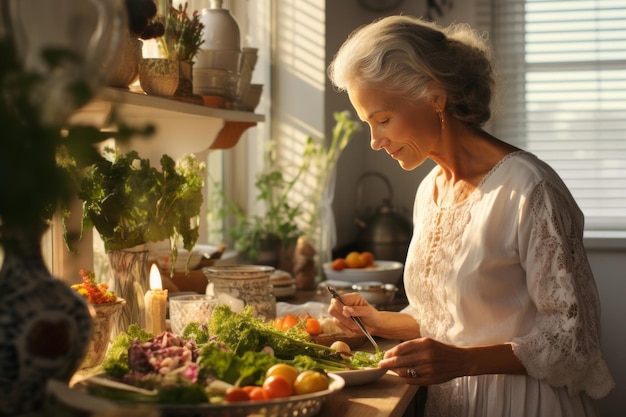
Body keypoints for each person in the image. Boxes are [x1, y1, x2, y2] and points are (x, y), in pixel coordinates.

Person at [326, 15, 615, 417]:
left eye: (384, 119)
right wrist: (377, 322)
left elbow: (573, 341)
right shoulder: (430, 190)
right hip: (452, 403)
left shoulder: (530, 189)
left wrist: (463, 362)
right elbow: (453, 320)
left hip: (524, 404)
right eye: (368, 125)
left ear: (435, 96)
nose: (375, 142)